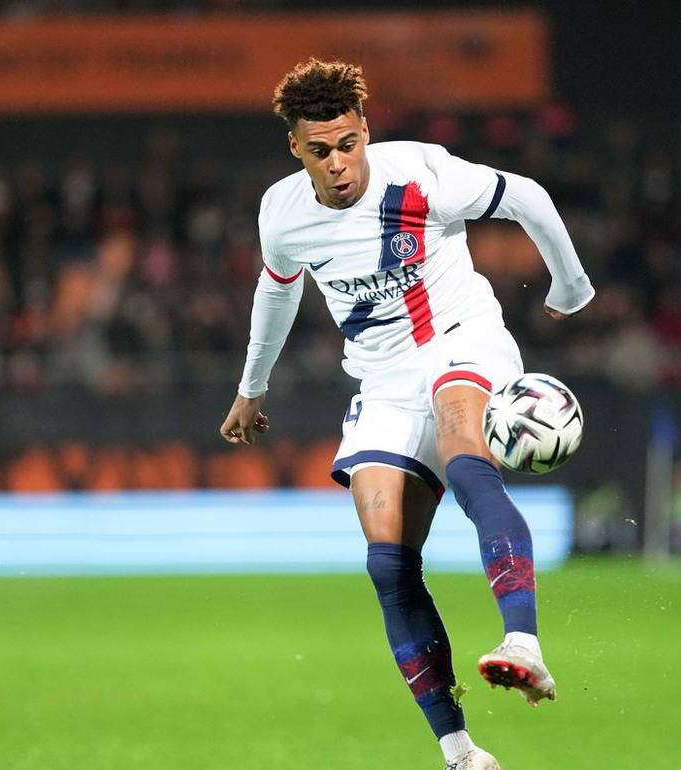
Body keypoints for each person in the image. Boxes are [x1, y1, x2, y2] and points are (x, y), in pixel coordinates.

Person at [219, 60, 594, 770]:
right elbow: (278, 292)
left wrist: (570, 286)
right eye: (321, 151)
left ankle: (524, 642)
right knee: (388, 563)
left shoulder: (420, 172)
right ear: (295, 148)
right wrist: (251, 387)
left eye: (348, 143)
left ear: (365, 131)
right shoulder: (282, 213)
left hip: (460, 338)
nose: (338, 163)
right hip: (383, 381)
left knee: (463, 450)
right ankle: (461, 752)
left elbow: (526, 196)